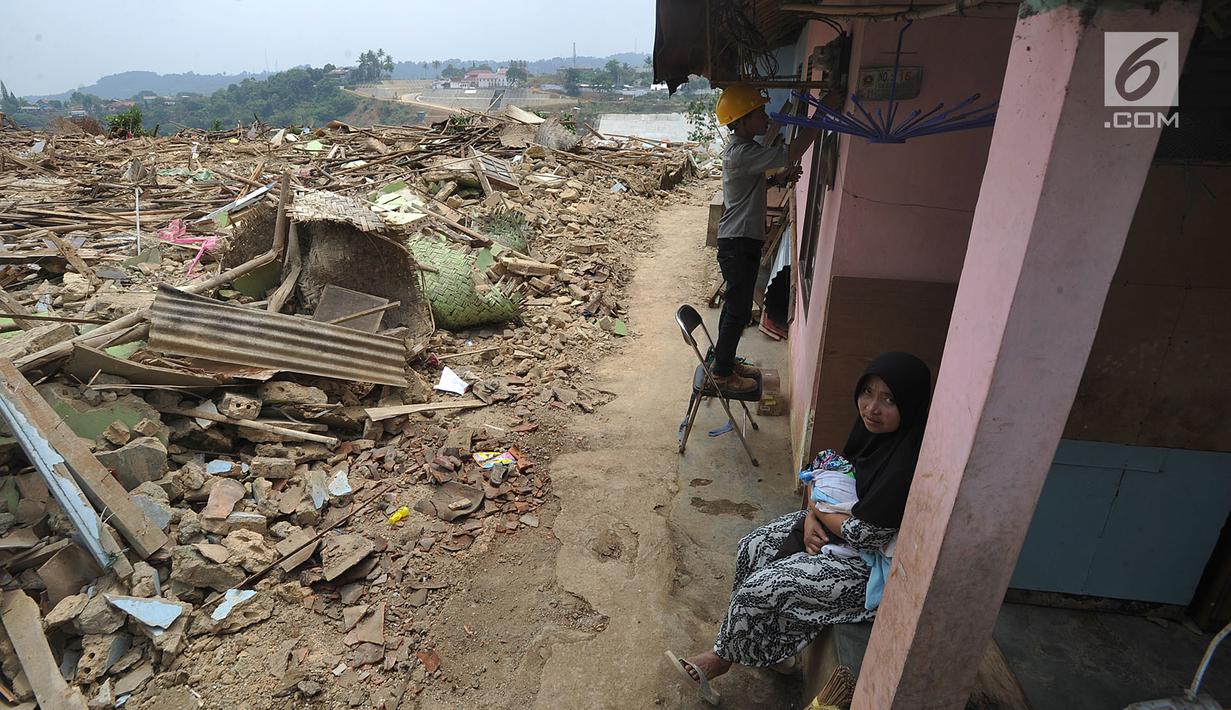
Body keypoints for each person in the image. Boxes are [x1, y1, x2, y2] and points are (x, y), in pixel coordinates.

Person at [666, 352, 933, 705]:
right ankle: (772, 649)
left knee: (763, 588)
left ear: (910, 406)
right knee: (753, 547)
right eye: (868, 392)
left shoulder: (906, 459)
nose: (871, 407)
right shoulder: (872, 435)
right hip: (839, 529)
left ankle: (720, 659)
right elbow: (831, 476)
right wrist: (811, 513)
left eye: (889, 399)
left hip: (868, 568)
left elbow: (866, 534)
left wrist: (817, 509)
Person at [709, 84, 828, 394]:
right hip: (738, 243)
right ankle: (722, 372)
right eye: (759, 113)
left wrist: (778, 178)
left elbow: (751, 184)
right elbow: (790, 152)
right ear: (743, 119)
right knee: (737, 309)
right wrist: (824, 113)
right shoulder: (744, 151)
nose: (765, 118)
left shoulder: (742, 150)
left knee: (735, 307)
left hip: (737, 241)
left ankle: (724, 362)